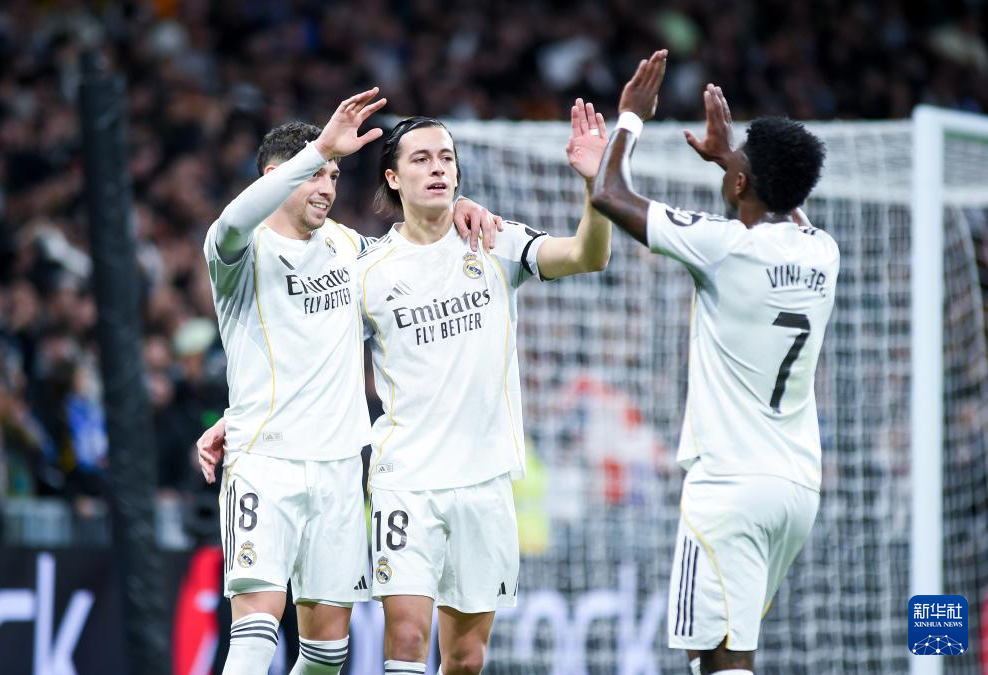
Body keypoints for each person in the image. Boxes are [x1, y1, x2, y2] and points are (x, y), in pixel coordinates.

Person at [201, 87, 501, 675]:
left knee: (326, 655)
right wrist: (317, 151)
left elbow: (412, 252)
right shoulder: (237, 251)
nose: (327, 187)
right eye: (315, 175)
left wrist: (459, 207)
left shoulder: (349, 248)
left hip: (340, 469)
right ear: (275, 178)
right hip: (266, 462)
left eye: (334, 176)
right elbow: (231, 218)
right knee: (257, 631)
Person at [591, 51, 837, 675]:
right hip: (796, 489)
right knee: (716, 654)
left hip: (730, 486)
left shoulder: (725, 248)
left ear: (741, 184)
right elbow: (786, 201)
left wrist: (631, 117)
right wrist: (734, 161)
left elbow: (609, 194)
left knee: (724, 659)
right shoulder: (823, 252)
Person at [360, 98, 611, 675]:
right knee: (406, 637)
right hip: (405, 479)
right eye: (421, 158)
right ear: (393, 178)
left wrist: (595, 186)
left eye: (446, 157)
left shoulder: (495, 240)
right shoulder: (369, 271)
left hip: (484, 482)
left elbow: (588, 255)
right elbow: (320, 357)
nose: (438, 167)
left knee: (467, 659)